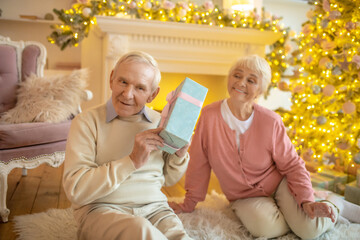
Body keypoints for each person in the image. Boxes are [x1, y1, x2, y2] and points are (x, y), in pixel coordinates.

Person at [169, 55, 359, 239]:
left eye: (251, 80)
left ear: (260, 91)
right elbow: (199, 163)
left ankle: (336, 204)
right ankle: (294, 215)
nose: (241, 83)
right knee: (266, 229)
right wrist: (189, 202)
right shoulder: (209, 116)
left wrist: (306, 201)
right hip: (243, 196)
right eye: (237, 75)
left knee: (309, 230)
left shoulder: (271, 121)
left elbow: (292, 165)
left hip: (280, 184)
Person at [63, 51, 192, 240]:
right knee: (140, 231)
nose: (128, 94)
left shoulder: (161, 123)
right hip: (101, 210)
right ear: (111, 79)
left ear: (152, 94)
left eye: (140, 88)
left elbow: (170, 179)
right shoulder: (86, 122)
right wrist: (131, 161)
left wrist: (179, 155)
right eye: (123, 82)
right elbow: (76, 189)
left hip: (156, 209)